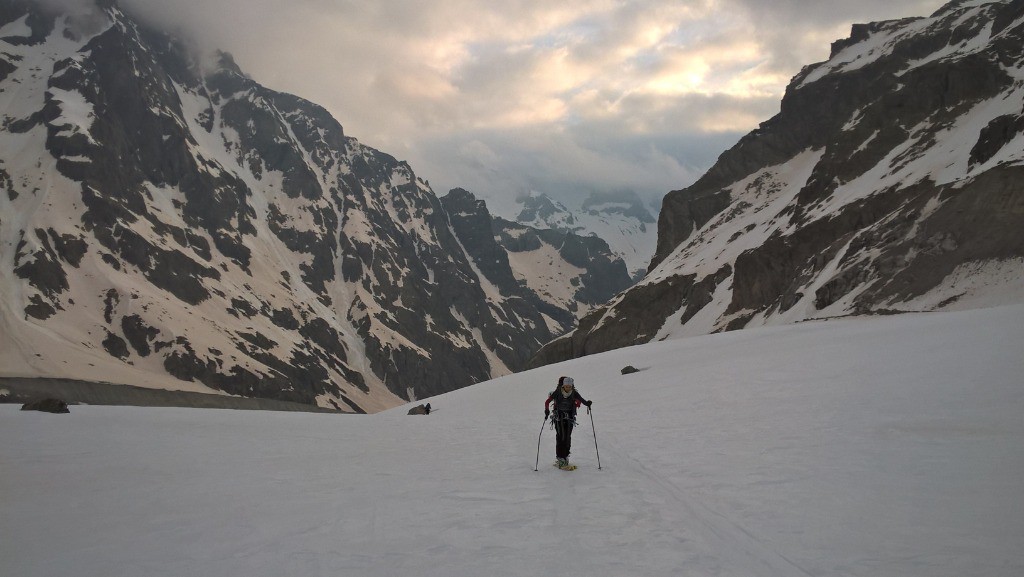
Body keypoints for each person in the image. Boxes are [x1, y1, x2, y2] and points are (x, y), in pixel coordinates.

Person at [544, 376, 592, 469]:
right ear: (563, 385)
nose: (568, 388)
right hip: (559, 417)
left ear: (572, 386)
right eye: (566, 386)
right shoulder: (558, 392)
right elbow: (547, 401)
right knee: (561, 437)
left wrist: (588, 403)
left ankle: (565, 458)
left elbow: (582, 400)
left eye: (569, 386)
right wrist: (546, 410)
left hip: (569, 417)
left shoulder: (574, 393)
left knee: (567, 437)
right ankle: (560, 458)